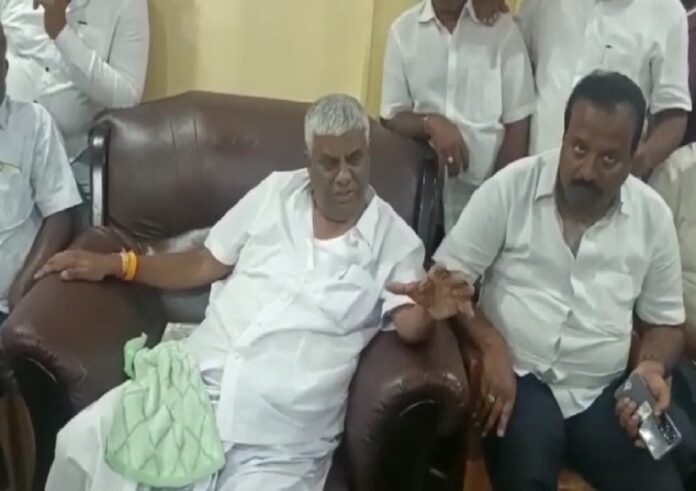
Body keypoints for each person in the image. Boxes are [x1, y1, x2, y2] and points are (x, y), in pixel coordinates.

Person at [36, 94, 475, 491]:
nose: (345, 176)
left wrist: (429, 311)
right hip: (193, 390)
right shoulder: (275, 193)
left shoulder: (394, 240)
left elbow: (409, 323)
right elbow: (205, 261)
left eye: (355, 159)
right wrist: (118, 264)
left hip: (280, 440)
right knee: (80, 442)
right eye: (329, 163)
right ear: (308, 161)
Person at [434, 71, 696, 490]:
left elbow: (666, 325)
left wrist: (650, 365)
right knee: (526, 474)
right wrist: (489, 343)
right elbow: (446, 281)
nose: (586, 170)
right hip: (521, 379)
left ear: (634, 156)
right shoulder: (511, 188)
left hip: (607, 390)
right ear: (564, 135)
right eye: (578, 148)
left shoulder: (652, 216)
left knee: (664, 480)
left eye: (608, 159)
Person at [380, 0, 534, 231]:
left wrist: (497, 202)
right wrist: (430, 124)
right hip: (422, 201)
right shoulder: (403, 32)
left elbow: (518, 125)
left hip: (487, 198)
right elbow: (391, 117)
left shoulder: (502, 32)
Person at [509, 0, 691, 177]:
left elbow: (673, 116)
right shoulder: (544, 3)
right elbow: (515, 71)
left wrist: (639, 161)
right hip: (536, 173)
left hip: (607, 184)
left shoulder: (667, 11)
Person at [0, 0, 149, 206]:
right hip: (7, 151)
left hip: (76, 162)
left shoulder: (127, 4)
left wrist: (62, 35)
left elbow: (127, 98)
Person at [0, 22, 82, 326]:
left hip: (9, 305)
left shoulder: (33, 124)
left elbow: (61, 214)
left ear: (4, 68)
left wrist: (23, 284)